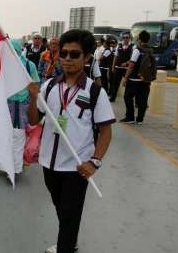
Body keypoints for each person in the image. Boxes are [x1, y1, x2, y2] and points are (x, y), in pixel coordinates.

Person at [28, 29, 115, 253]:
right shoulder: (49, 87)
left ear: (86, 58)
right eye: (64, 53)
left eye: (74, 54)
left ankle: (66, 246)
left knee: (69, 214)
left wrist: (94, 162)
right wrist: (32, 97)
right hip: (49, 162)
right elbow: (34, 119)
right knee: (62, 209)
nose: (67, 58)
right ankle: (70, 240)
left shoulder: (96, 92)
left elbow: (105, 131)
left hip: (77, 166)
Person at [5, 39, 40, 175]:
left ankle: (13, 167)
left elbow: (35, 85)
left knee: (15, 134)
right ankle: (13, 167)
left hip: (16, 104)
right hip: (18, 103)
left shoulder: (26, 65)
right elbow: (36, 84)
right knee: (17, 135)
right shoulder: (28, 64)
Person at [121, 30, 153, 125]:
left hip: (134, 79)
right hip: (145, 80)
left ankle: (130, 117)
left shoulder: (137, 50)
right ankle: (139, 120)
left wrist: (126, 78)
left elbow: (131, 65)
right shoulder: (150, 50)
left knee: (128, 97)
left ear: (139, 39)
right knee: (143, 100)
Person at [110, 32, 133, 102]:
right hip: (118, 68)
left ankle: (129, 99)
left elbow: (133, 59)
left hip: (126, 69)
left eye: (127, 37)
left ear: (129, 38)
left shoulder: (132, 47)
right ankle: (113, 98)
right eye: (124, 38)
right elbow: (115, 56)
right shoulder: (119, 46)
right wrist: (113, 66)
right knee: (115, 84)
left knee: (129, 84)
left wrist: (126, 63)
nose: (125, 39)